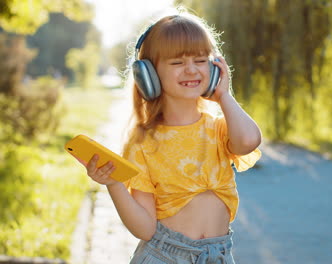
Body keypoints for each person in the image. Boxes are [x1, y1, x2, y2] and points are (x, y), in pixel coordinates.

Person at [82, 7, 262, 264]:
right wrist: (114, 184)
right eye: (177, 62)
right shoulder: (143, 142)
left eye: (200, 61)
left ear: (213, 67)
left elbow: (248, 142)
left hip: (219, 255)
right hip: (164, 255)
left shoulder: (219, 128)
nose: (191, 70)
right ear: (149, 75)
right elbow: (145, 229)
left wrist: (224, 96)